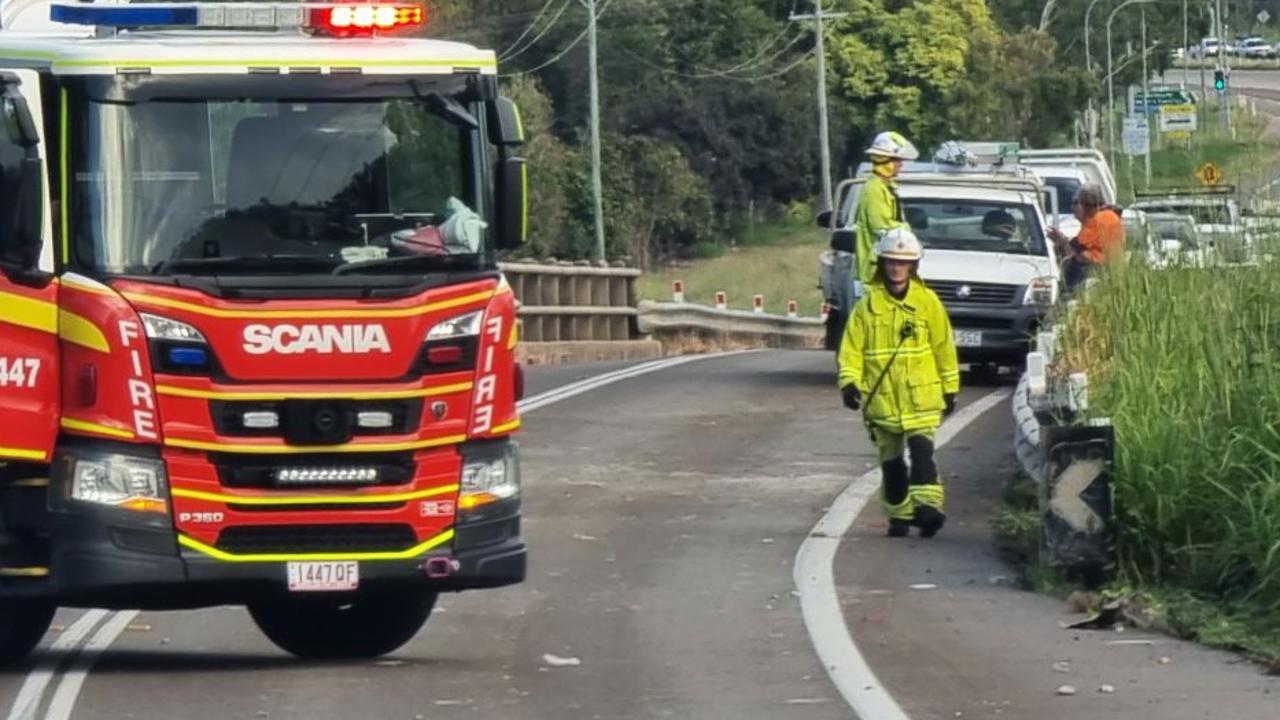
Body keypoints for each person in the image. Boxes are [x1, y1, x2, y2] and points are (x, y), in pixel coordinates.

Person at [837, 227, 960, 538]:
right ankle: (900, 514)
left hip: (921, 399)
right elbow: (851, 349)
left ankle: (929, 510)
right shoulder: (867, 306)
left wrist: (950, 388)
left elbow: (943, 346)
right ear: (882, 263)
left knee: (922, 455)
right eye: (891, 261)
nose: (896, 267)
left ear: (912, 266)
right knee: (892, 466)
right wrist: (849, 383)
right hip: (884, 401)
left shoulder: (928, 302)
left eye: (902, 262)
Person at [853, 131, 919, 293]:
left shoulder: (885, 187)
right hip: (875, 272)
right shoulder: (875, 189)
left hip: (884, 267)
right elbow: (882, 227)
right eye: (898, 160)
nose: (901, 165)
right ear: (887, 161)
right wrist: (905, 229)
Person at [1047, 182, 1124, 291]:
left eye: (1075, 203)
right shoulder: (1104, 217)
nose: (1072, 207)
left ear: (1086, 205)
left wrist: (1062, 241)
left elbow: (1078, 252)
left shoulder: (1100, 219)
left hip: (1099, 274)